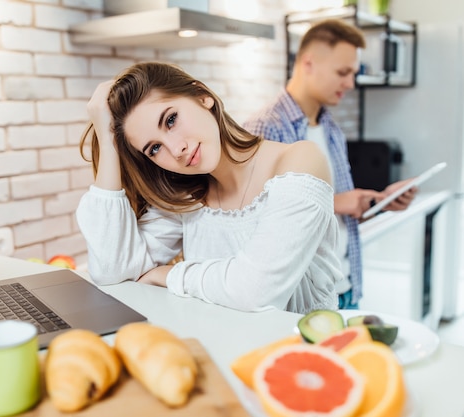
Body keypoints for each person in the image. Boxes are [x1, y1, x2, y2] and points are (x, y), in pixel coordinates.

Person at [75, 61, 344, 314]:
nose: (176, 149)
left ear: (203, 96)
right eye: (154, 148)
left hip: (303, 358)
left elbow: (256, 291)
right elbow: (112, 271)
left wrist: (166, 274)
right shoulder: (186, 198)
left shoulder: (300, 160)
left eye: (170, 120)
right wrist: (107, 141)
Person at [243, 19, 416, 310]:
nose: (350, 83)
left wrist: (380, 202)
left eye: (353, 73)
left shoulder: (330, 127)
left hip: (347, 287)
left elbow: (338, 217)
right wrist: (337, 203)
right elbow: (253, 219)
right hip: (303, 301)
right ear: (308, 63)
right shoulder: (264, 128)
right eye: (343, 73)